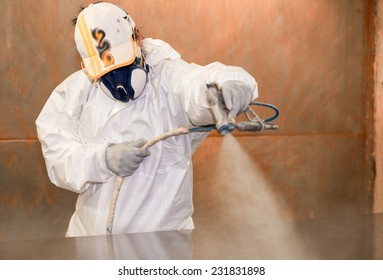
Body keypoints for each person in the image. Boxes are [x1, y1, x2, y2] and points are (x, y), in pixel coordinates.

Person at [36, 2, 258, 237]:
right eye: (107, 72)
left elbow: (198, 83)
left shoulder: (168, 78)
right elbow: (58, 158)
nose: (119, 81)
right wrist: (103, 159)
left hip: (165, 242)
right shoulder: (73, 94)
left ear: (137, 37)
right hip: (94, 241)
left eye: (123, 63)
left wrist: (229, 85)